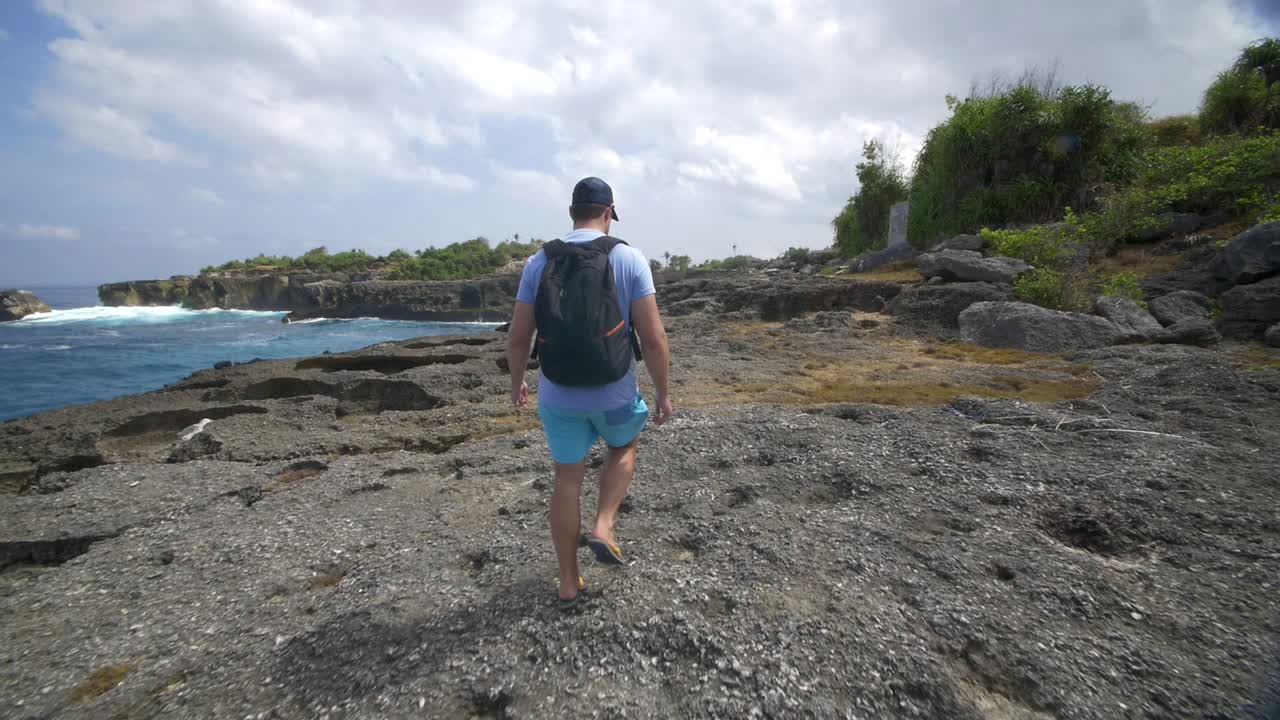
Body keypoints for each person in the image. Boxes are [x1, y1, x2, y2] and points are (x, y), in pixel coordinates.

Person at [506, 176, 673, 610]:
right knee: (623, 448)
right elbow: (653, 339)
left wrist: (517, 380)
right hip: (614, 391)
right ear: (608, 212)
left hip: (559, 394)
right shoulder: (628, 258)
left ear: (572, 212)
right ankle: (603, 525)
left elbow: (519, 336)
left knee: (566, 479)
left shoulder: (538, 261)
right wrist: (662, 392)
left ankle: (566, 581)